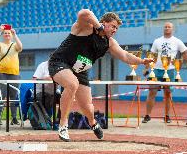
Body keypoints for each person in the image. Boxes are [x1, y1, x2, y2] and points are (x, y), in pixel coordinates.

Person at [48, 9, 153, 142]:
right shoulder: (86, 27)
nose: (115, 30)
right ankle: (63, 125)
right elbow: (83, 13)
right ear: (104, 23)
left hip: (80, 70)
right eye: (113, 26)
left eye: (117, 28)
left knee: (87, 107)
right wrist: (98, 27)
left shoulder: (109, 42)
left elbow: (125, 56)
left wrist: (142, 61)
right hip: (60, 62)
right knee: (71, 84)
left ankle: (93, 123)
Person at [142, 22, 187, 124]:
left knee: (168, 93)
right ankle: (147, 115)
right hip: (156, 70)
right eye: (165, 27)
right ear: (163, 29)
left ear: (173, 29)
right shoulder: (157, 41)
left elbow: (185, 52)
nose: (167, 28)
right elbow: (151, 56)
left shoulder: (177, 41)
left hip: (170, 70)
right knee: (151, 92)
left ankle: (167, 116)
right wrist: (146, 68)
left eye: (169, 27)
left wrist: (185, 64)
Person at [0, 24, 22, 125]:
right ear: (3, 35)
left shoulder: (14, 44)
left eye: (8, 33)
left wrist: (15, 35)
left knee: (14, 96)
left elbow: (20, 47)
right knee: (1, 96)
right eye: (5, 33)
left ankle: (14, 118)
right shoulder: (0, 44)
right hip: (2, 73)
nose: (7, 35)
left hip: (14, 73)